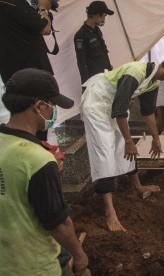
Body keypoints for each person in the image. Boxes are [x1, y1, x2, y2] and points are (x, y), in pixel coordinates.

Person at [81, 51, 164, 232]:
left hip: (114, 106)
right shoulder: (136, 72)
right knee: (105, 152)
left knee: (122, 145)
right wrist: (128, 141)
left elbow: (148, 112)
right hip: (97, 103)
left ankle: (138, 185)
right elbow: (119, 110)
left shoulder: (154, 80)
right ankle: (110, 211)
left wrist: (157, 140)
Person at [0, 68, 89, 275]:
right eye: (52, 106)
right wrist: (79, 255)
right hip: (35, 265)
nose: (53, 112)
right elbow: (58, 223)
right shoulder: (38, 159)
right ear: (40, 106)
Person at [0, 0, 55, 141]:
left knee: (20, 118)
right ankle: (39, 149)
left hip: (12, 76)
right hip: (33, 76)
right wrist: (43, 8)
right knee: (39, 119)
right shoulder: (14, 4)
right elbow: (45, 28)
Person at [74, 1, 114, 84]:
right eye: (104, 16)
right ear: (97, 16)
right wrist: (86, 84)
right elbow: (81, 62)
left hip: (106, 75)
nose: (104, 20)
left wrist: (108, 66)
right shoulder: (80, 36)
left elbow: (102, 52)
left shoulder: (97, 30)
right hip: (95, 80)